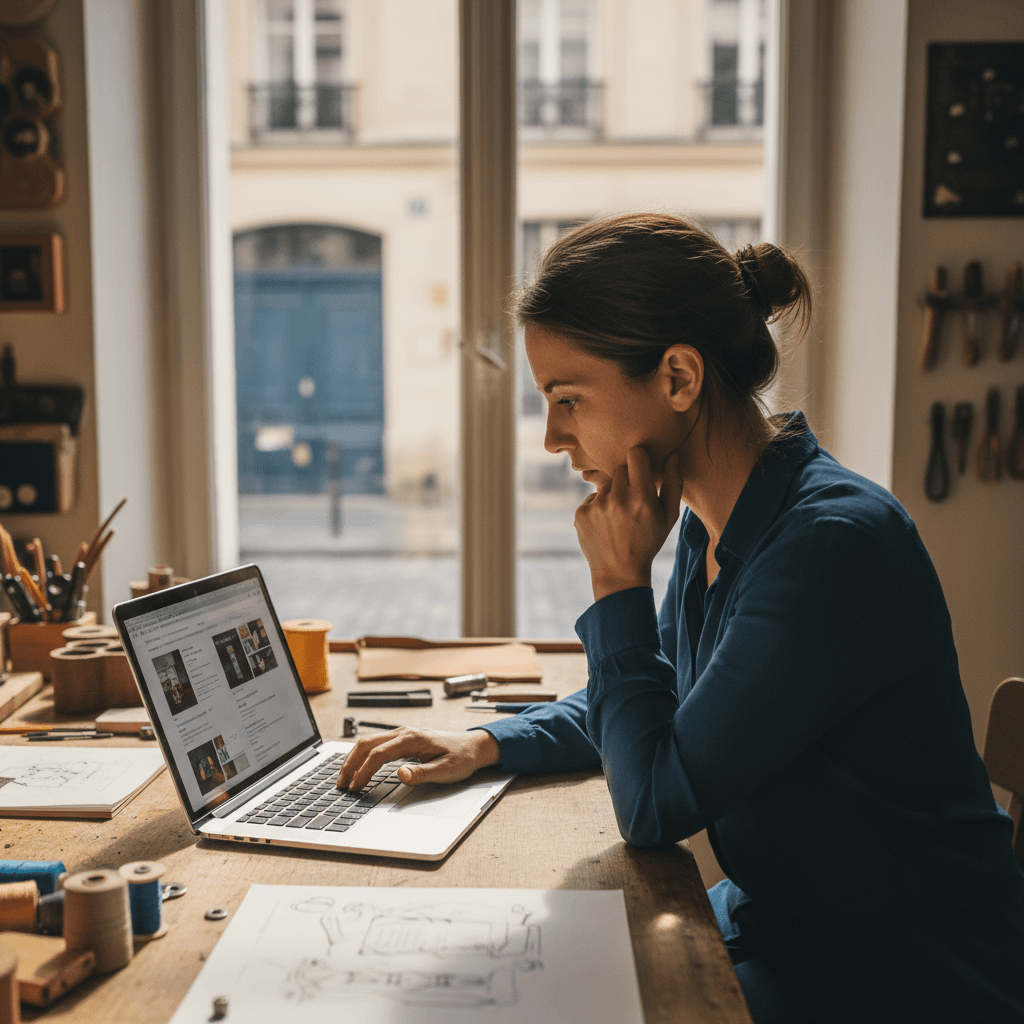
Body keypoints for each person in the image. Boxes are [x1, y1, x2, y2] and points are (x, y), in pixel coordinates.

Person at [336, 213, 1024, 1022]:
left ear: (678, 379)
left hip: (895, 977)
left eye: (567, 399)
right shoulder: (716, 519)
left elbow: (656, 801)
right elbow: (650, 700)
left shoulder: (829, 545)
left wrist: (619, 581)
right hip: (780, 925)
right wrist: (484, 742)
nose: (554, 437)